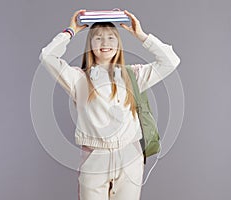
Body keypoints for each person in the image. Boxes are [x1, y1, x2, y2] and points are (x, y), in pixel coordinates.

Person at [39, 9, 180, 200]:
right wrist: (70, 31)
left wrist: (140, 35)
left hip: (130, 157)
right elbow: (47, 57)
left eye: (111, 37)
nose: (105, 43)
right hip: (94, 159)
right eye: (98, 38)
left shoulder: (133, 76)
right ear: (90, 44)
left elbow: (170, 61)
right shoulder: (78, 79)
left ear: (119, 43)